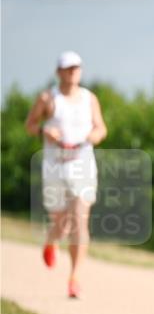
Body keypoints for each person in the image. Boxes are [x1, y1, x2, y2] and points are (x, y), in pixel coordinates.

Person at [25, 51, 107, 298]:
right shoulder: (48, 98)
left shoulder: (89, 99)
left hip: (82, 164)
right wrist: (44, 131)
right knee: (61, 224)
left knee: (80, 220)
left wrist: (93, 136)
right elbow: (29, 126)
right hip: (55, 167)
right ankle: (51, 240)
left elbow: (101, 128)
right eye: (68, 68)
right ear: (59, 72)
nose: (73, 72)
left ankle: (75, 278)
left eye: (76, 68)